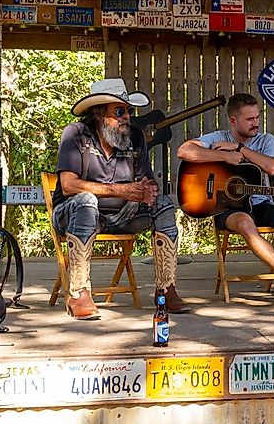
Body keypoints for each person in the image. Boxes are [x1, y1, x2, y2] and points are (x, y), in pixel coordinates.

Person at [53, 79, 189, 319]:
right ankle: (78, 293)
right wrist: (119, 191)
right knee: (86, 201)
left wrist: (148, 190)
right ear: (99, 114)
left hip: (121, 215)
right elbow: (68, 185)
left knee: (164, 204)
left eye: (129, 111)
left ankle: (166, 289)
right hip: (73, 214)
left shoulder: (134, 137)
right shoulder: (76, 134)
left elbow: (146, 180)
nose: (127, 116)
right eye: (119, 111)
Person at [176, 92, 274, 309]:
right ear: (234, 121)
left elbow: (272, 167)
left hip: (261, 203)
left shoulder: (266, 140)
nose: (256, 123)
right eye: (250, 119)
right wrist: (224, 157)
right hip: (227, 208)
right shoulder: (218, 138)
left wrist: (239, 149)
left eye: (257, 117)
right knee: (246, 222)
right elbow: (184, 150)